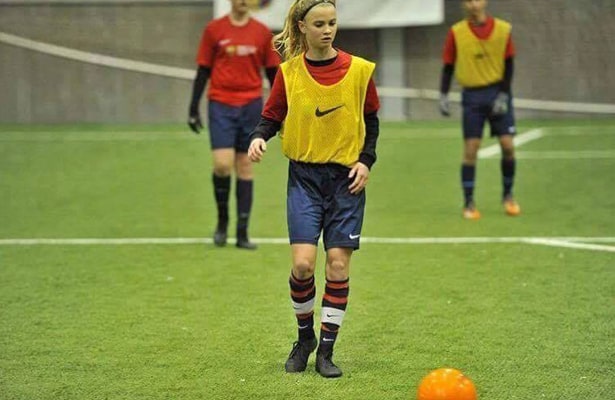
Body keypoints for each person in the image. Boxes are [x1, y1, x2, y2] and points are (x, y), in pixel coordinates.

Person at [248, 0, 380, 378]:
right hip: (304, 179)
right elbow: (272, 115)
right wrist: (259, 137)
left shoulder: (360, 70)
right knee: (303, 265)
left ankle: (326, 351)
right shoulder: (289, 73)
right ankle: (304, 338)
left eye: (332, 23)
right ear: (302, 27)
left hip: (346, 182)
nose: (327, 30)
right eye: (319, 24)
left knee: (337, 265)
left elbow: (371, 120)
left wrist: (365, 161)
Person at [188, 0, 280, 249]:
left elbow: (273, 74)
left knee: (246, 166)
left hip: (251, 106)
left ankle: (242, 233)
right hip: (221, 105)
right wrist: (193, 107)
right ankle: (222, 222)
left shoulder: (262, 33)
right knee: (222, 165)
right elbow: (203, 69)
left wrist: (280, 110)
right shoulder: (214, 30)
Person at [439, 0, 521, 220]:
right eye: (468, 0)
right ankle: (469, 202)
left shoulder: (503, 29)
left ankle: (508, 195)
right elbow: (448, 65)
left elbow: (509, 64)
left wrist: (503, 94)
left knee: (508, 145)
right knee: (471, 149)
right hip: (472, 96)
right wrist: (443, 94)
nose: (472, 4)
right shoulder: (456, 32)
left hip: (498, 92)